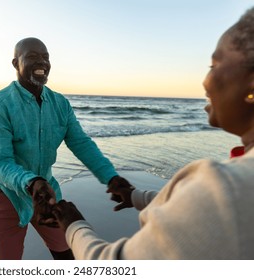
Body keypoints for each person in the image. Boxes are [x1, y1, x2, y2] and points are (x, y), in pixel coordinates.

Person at [52, 7, 254, 260]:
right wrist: (136, 196)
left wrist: (74, 225)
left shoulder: (230, 187)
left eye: (213, 65)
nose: (204, 80)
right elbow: (195, 208)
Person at [0, 37, 132, 260]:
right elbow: (2, 162)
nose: (42, 62)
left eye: (46, 57)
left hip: (47, 193)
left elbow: (81, 143)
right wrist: (31, 183)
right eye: (32, 56)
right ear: (15, 63)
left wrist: (111, 178)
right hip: (7, 196)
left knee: (67, 256)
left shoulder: (60, 103)